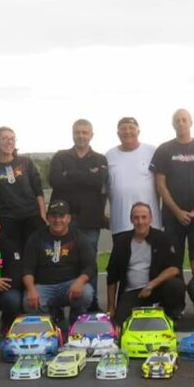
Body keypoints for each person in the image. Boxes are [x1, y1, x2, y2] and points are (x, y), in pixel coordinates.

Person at [49, 119, 107, 310]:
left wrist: (70, 174)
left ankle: (91, 303)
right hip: (63, 220)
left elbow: (98, 180)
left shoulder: (100, 159)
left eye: (84, 132)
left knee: (89, 261)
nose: (81, 135)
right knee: (61, 260)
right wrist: (86, 176)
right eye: (77, 132)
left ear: (91, 135)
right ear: (72, 134)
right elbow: (55, 180)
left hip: (90, 220)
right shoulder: (60, 156)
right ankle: (57, 305)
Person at [151, 109, 194, 259]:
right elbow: (160, 185)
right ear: (172, 125)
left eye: (184, 120)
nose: (180, 123)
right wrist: (177, 212)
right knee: (173, 259)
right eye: (177, 121)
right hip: (172, 217)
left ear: (191, 122)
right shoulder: (164, 149)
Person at [105, 202, 184, 326]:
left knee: (176, 285)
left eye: (144, 217)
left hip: (155, 289)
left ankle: (171, 315)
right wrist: (111, 307)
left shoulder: (162, 238)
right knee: (120, 324)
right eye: (136, 218)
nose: (140, 222)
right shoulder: (121, 241)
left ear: (150, 219)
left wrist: (151, 285)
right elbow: (112, 276)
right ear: (131, 220)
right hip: (131, 292)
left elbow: (174, 268)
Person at [21, 200, 96, 323]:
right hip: (44, 286)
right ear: (47, 218)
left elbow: (91, 266)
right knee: (28, 302)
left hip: (69, 285)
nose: (57, 220)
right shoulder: (36, 237)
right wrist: (31, 289)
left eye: (61, 216)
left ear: (68, 218)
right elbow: (27, 268)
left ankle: (76, 318)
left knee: (86, 292)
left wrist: (80, 281)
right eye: (53, 216)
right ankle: (51, 318)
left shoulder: (78, 238)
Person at [0, 126, 47, 251]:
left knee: (35, 256)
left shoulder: (26, 163)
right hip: (8, 221)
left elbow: (38, 191)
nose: (9, 141)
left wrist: (42, 217)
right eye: (4, 138)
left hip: (32, 217)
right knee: (14, 257)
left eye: (12, 138)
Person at [105, 116, 161, 235]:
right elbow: (105, 188)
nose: (127, 131)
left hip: (150, 223)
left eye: (131, 128)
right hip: (121, 223)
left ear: (138, 131)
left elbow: (162, 184)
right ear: (118, 133)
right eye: (123, 129)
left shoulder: (152, 151)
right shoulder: (109, 155)